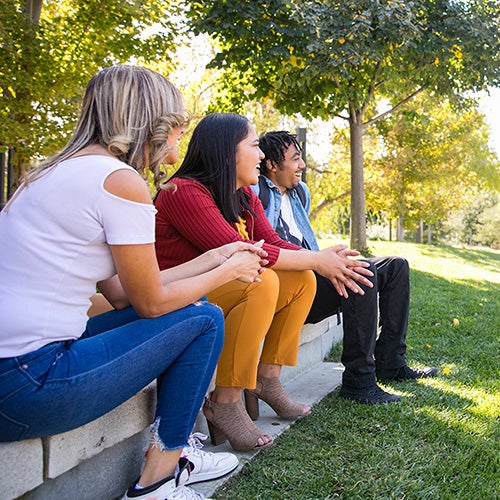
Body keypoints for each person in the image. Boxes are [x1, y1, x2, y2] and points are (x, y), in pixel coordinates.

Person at [0, 65, 267, 500]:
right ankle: (158, 480)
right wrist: (225, 272)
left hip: (17, 370)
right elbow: (151, 304)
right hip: (28, 384)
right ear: (151, 122)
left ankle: (174, 454)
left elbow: (122, 292)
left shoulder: (56, 172)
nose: (180, 135)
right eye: (176, 124)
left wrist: (210, 258)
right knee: (204, 319)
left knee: (195, 312)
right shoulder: (121, 182)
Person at [154, 113, 375, 451]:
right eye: (255, 146)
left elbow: (273, 242)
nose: (261, 156)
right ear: (227, 152)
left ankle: (267, 378)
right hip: (177, 298)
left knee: (301, 279)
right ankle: (225, 401)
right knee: (262, 281)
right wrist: (316, 259)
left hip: (213, 292)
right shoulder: (184, 192)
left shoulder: (243, 196)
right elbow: (241, 254)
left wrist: (319, 260)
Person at [255, 130, 438, 404]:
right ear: (271, 165)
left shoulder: (299, 193)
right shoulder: (256, 191)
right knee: (362, 272)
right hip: (293, 286)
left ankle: (390, 361)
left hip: (313, 272)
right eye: (295, 159)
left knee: (396, 266)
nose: (302, 165)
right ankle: (359, 381)